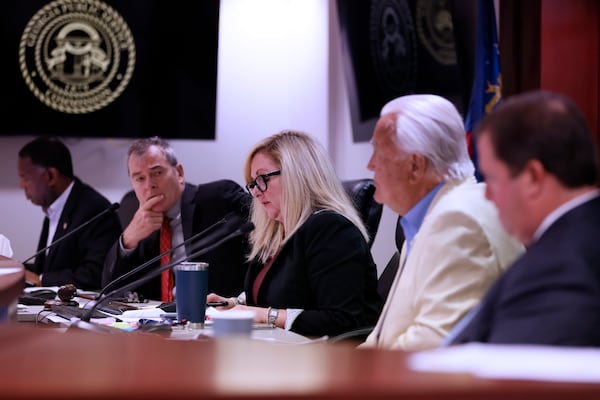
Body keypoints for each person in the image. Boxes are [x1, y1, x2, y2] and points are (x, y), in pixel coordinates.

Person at [360, 94, 524, 351]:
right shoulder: (431, 216)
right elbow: (382, 337)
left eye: (378, 153)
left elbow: (432, 343)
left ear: (415, 165)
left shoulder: (458, 220)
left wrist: (353, 371)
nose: (370, 165)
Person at [447, 90, 600, 346]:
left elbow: (508, 369)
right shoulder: (577, 240)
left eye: (492, 179)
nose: (488, 195)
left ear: (532, 177)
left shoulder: (555, 270)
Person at [207, 130, 382, 338]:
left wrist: (262, 315)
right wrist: (235, 304)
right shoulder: (278, 233)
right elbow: (286, 293)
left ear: (296, 175)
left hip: (324, 355)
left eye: (262, 179)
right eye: (253, 183)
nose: (256, 192)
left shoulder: (331, 229)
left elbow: (342, 320)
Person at [102, 136, 251, 302]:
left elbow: (266, 243)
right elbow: (109, 290)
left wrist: (241, 301)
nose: (149, 185)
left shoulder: (219, 198)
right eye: (140, 178)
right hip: (158, 316)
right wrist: (129, 238)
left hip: (217, 312)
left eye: (157, 173)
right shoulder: (134, 213)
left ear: (179, 173)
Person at [17, 137, 122, 289]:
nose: (21, 185)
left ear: (51, 176)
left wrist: (41, 280)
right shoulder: (54, 207)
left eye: (25, 178)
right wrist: (14, 269)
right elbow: (48, 269)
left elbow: (95, 274)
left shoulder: (95, 209)